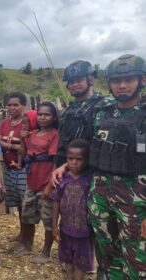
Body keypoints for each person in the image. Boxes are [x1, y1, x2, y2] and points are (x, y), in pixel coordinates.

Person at [53, 54, 146, 279]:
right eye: (116, 80)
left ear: (142, 80)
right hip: (100, 193)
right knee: (107, 253)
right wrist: (65, 165)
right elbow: (88, 148)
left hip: (136, 197)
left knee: (137, 258)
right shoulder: (101, 113)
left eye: (129, 79)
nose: (122, 85)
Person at [16, 101, 59, 264]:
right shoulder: (32, 134)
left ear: (54, 117)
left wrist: (51, 184)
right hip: (31, 182)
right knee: (27, 215)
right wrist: (22, 139)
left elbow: (54, 160)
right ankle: (27, 245)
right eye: (40, 114)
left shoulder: (54, 134)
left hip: (46, 183)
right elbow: (24, 153)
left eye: (47, 114)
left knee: (48, 220)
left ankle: (46, 252)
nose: (42, 117)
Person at [51, 139, 94, 280]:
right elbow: (56, 201)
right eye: (70, 158)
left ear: (87, 160)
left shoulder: (90, 179)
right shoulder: (62, 178)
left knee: (81, 265)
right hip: (65, 229)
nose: (74, 163)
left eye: (79, 159)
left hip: (85, 232)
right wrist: (54, 226)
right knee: (68, 262)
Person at [0, 92, 28, 243]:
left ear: (23, 105)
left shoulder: (27, 124)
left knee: (25, 203)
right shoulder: (4, 123)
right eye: (9, 105)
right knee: (18, 204)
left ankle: (27, 238)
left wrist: (9, 145)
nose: (12, 108)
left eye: (16, 104)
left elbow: (27, 146)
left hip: (23, 168)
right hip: (9, 168)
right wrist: (12, 146)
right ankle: (22, 234)